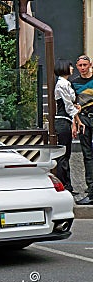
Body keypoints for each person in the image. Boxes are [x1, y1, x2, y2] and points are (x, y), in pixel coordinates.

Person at [54, 59, 82, 197]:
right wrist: (77, 119)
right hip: (62, 121)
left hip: (66, 120)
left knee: (66, 155)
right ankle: (63, 185)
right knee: (63, 155)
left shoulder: (65, 83)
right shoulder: (61, 84)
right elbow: (68, 106)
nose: (72, 68)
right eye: (70, 66)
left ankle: (67, 184)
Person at [70, 55, 93, 205]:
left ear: (90, 64)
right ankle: (91, 190)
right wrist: (74, 123)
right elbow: (73, 105)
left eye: (85, 64)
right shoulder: (75, 83)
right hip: (84, 119)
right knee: (87, 155)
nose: (83, 68)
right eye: (80, 65)